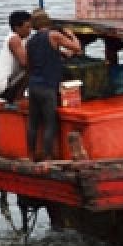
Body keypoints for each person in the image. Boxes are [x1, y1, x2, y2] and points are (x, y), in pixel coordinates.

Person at [25, 9, 82, 161]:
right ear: (48, 22)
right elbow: (77, 48)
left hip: (34, 85)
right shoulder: (54, 35)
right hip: (48, 86)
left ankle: (30, 155)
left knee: (33, 123)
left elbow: (29, 65)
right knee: (50, 123)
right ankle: (47, 156)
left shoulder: (30, 42)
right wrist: (71, 35)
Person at [0, 10, 32, 105]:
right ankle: (19, 97)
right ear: (17, 28)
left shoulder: (23, 39)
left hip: (12, 83)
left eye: (31, 27)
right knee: (33, 67)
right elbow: (25, 63)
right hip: (5, 89)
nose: (30, 30)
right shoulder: (14, 39)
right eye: (27, 27)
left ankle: (22, 95)